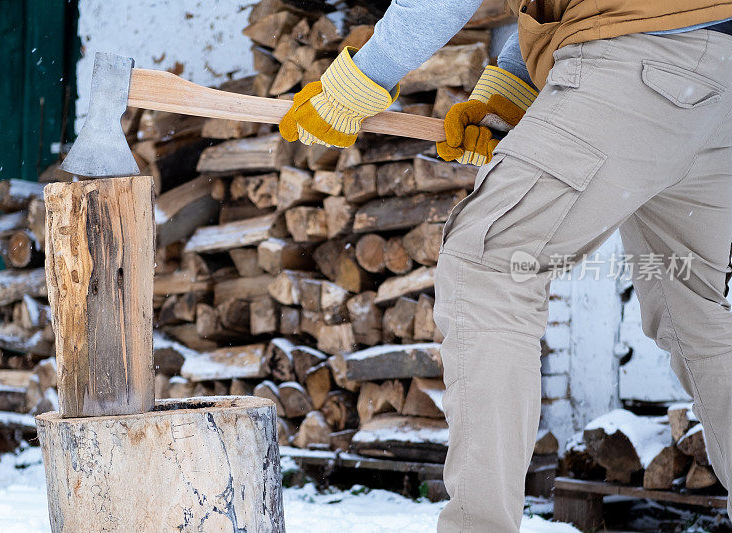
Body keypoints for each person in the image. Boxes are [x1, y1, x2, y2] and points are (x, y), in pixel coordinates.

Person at [278, 2, 732, 531]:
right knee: (696, 315)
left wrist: (359, 81)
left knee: (486, 268)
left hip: (639, 60)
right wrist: (512, 88)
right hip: (718, 79)